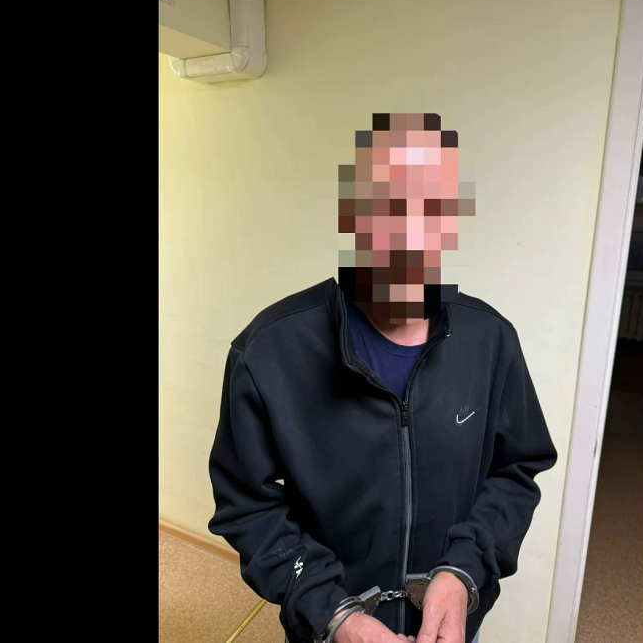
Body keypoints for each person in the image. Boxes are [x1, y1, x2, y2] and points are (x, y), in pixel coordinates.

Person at [208, 114, 557, 643]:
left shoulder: (491, 341)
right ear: (353, 217)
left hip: (448, 623)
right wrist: (332, 614)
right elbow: (246, 505)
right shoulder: (268, 351)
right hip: (329, 628)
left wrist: (463, 572)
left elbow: (517, 470)